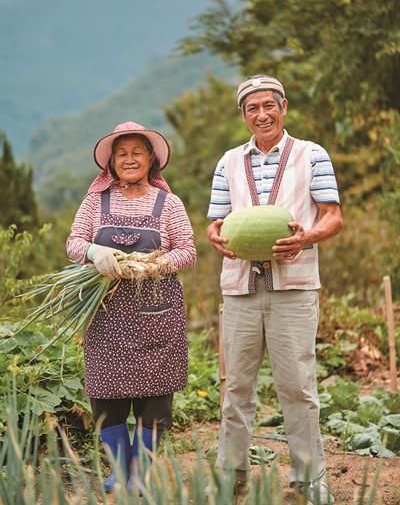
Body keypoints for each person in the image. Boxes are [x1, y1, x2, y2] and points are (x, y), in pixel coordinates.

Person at [207, 75, 342, 504]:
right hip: (240, 289)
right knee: (235, 391)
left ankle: (310, 482)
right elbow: (216, 223)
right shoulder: (227, 162)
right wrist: (215, 236)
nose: (261, 114)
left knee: (298, 389)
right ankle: (232, 480)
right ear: (242, 114)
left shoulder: (312, 155)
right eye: (252, 108)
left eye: (269, 105)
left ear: (283, 106)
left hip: (294, 288)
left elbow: (333, 217)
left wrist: (305, 238)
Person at [66, 121, 196, 492]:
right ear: (111, 162)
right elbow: (74, 243)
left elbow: (188, 251)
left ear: (151, 158)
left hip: (155, 312)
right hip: (105, 315)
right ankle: (119, 471)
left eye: (137, 152)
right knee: (106, 395)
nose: (129, 159)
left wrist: (152, 265)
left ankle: (141, 473)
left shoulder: (168, 202)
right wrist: (94, 250)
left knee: (155, 398)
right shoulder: (96, 201)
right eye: (121, 153)